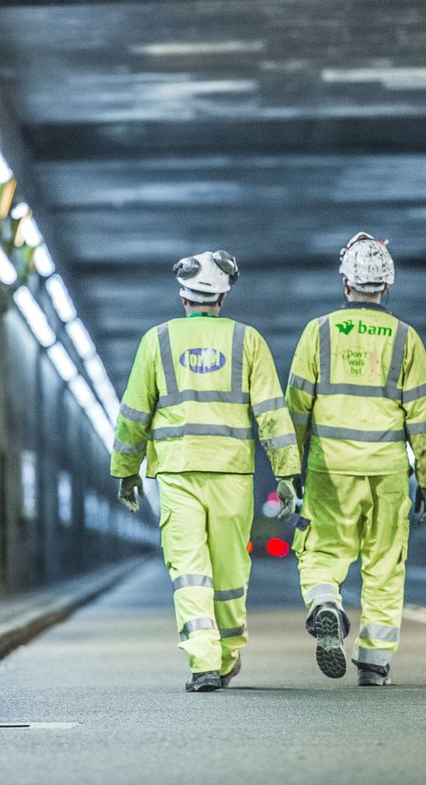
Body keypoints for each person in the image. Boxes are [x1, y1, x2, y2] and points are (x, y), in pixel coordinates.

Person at [111, 250, 302, 692]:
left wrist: (126, 469)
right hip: (232, 474)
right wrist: (287, 474)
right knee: (230, 570)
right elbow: (272, 413)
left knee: (189, 569)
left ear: (183, 296)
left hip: (178, 473)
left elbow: (134, 413)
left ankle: (203, 662)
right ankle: (227, 652)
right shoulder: (247, 341)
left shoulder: (156, 341)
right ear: (223, 298)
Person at [285, 232, 426, 686]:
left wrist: (286, 471)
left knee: (321, 552)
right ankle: (373, 661)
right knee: (385, 564)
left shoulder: (318, 332)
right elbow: (423, 416)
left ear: (344, 282)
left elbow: (295, 409)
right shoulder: (406, 339)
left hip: (329, 471)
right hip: (388, 472)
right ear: (387, 286)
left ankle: (325, 605)